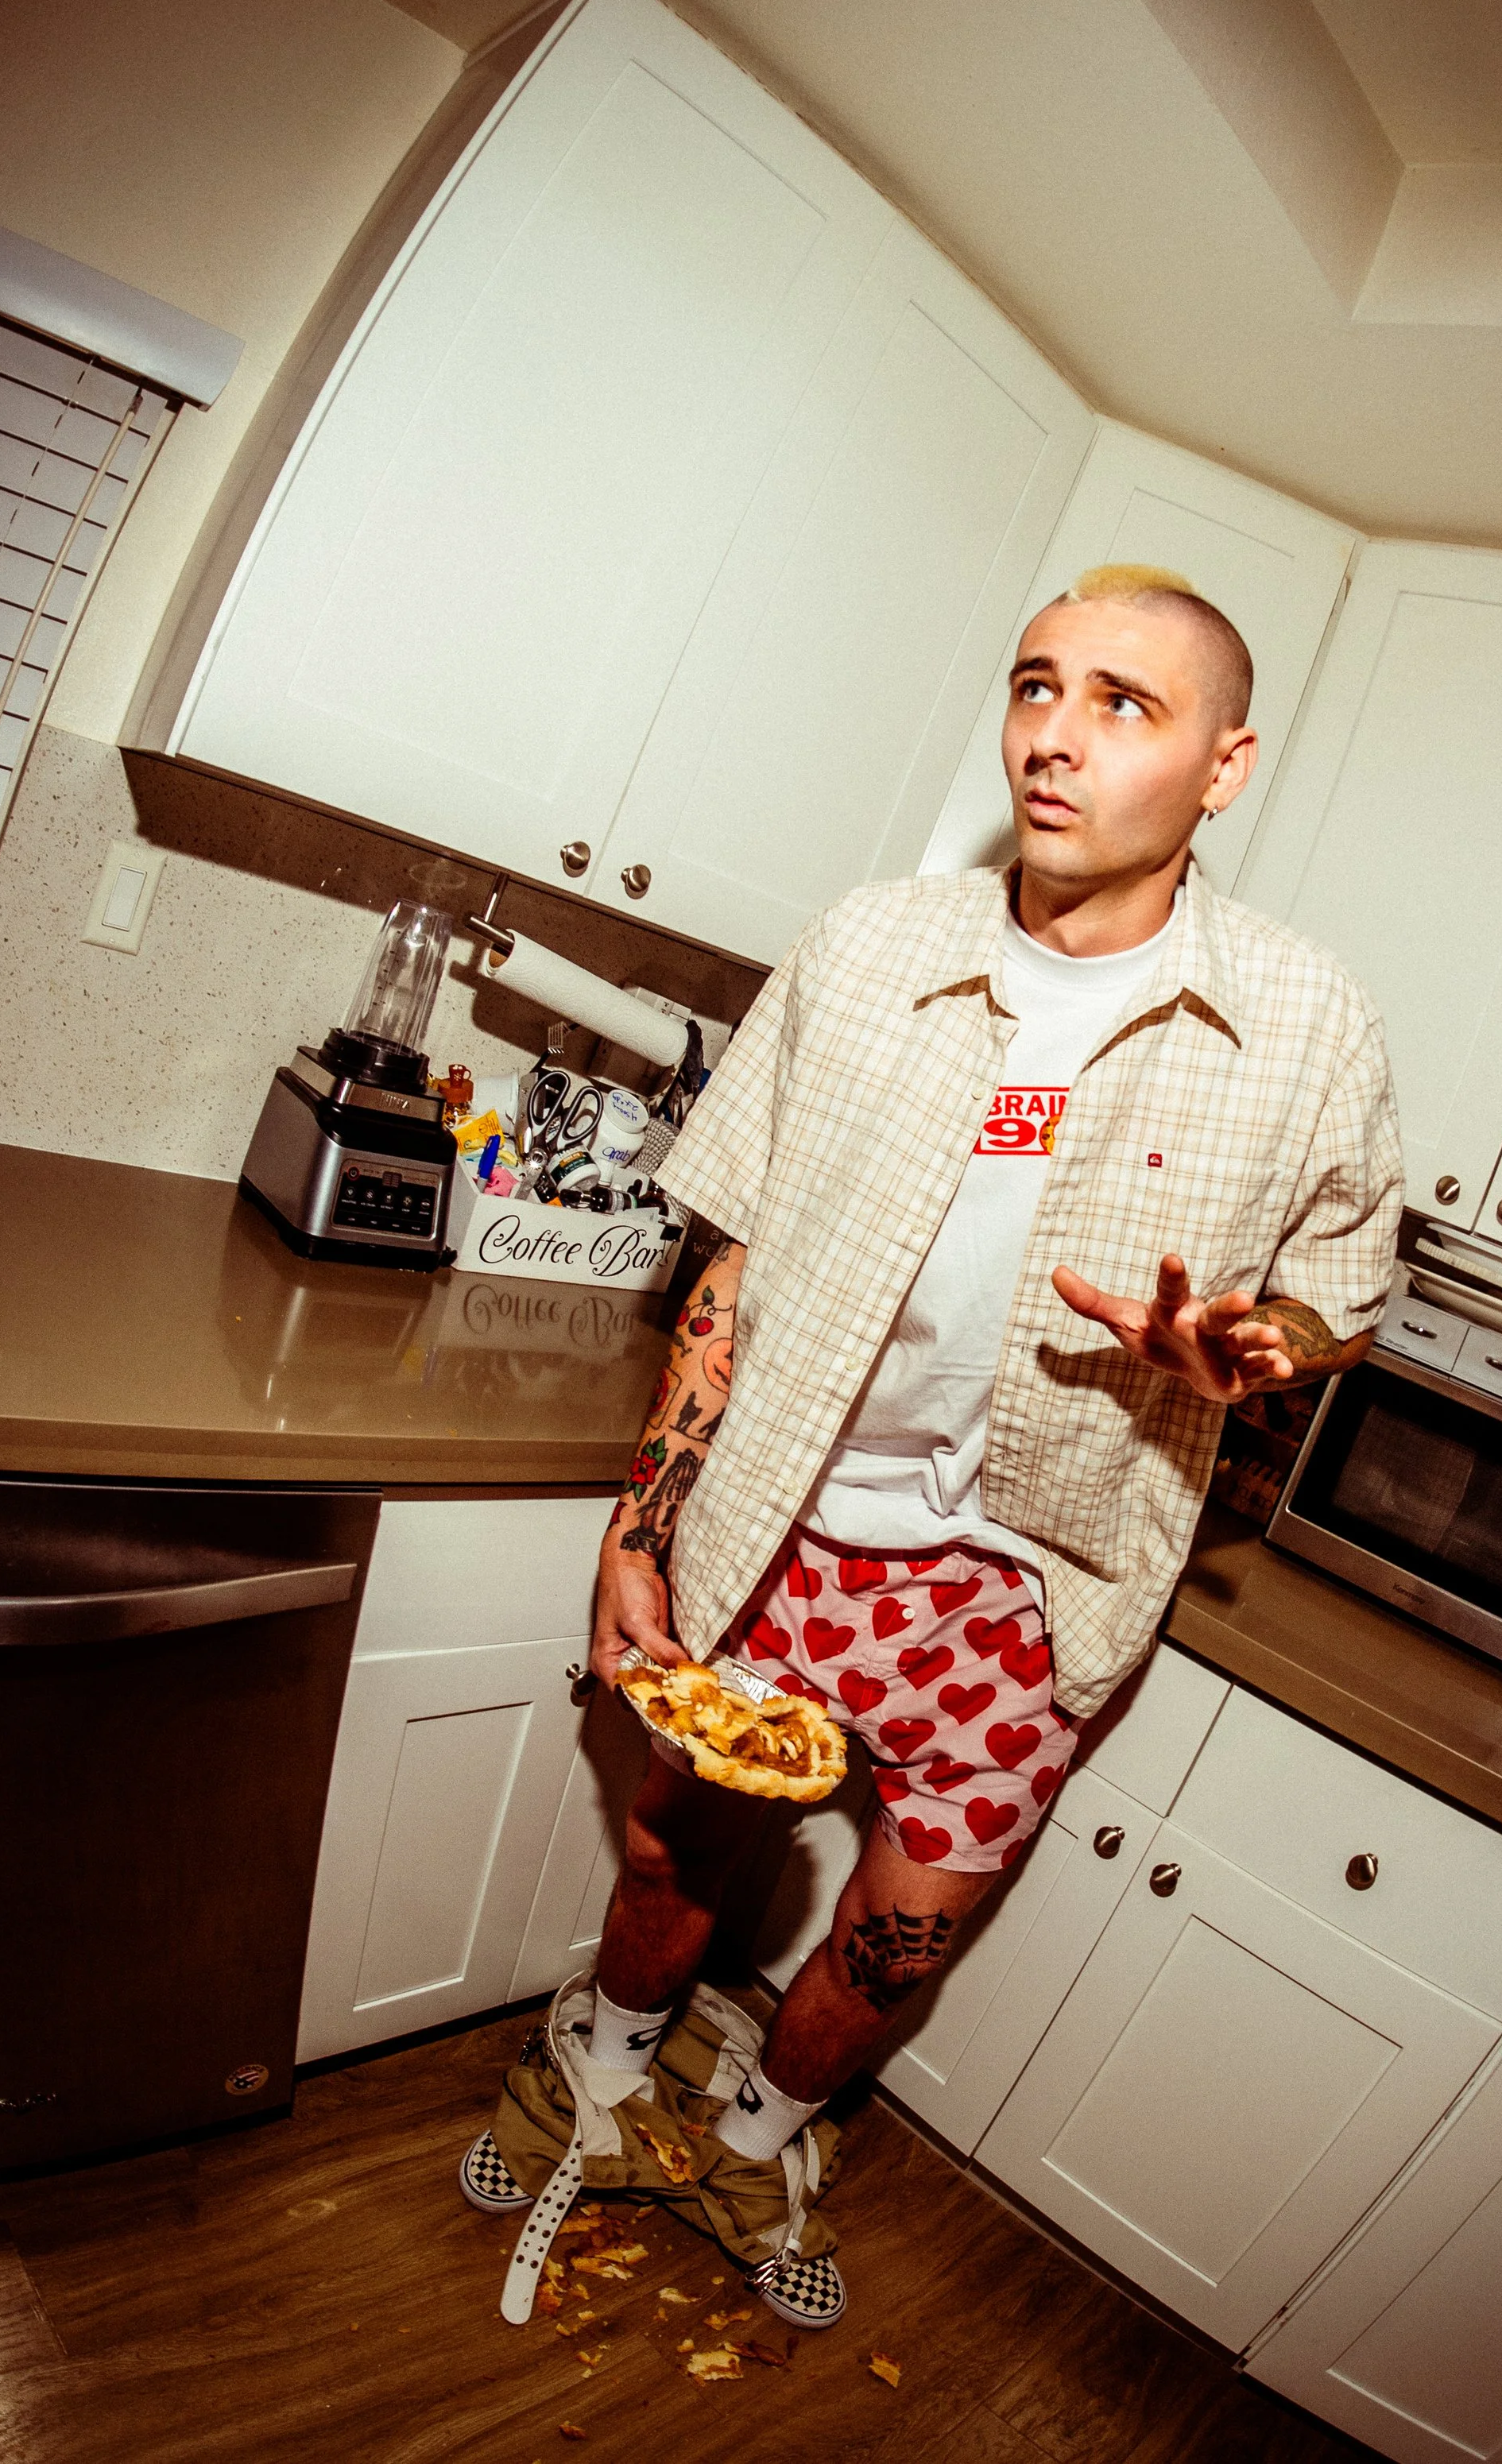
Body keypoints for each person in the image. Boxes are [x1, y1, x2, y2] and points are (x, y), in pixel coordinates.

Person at [459, 565, 1403, 2327]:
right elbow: (729, 1249)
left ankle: (753, 2130)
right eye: (1038, 683)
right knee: (675, 1849)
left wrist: (1267, 1349)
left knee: (903, 1929)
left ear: (1225, 764)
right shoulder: (874, 940)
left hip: (1037, 1591)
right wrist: (643, 1517)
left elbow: (1341, 1297)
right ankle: (594, 2061)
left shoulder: (1305, 1024)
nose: (1054, 733)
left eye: (1125, 702)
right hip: (783, 1525)